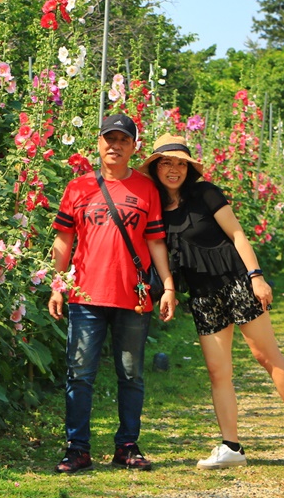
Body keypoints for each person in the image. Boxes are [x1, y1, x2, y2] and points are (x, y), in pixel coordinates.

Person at [141, 134, 284, 469]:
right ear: (155, 167)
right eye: (166, 162)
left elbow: (237, 234)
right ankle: (231, 448)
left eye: (180, 163)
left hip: (237, 280)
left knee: (264, 355)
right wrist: (168, 289)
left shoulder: (205, 193)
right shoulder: (156, 208)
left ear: (189, 168)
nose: (174, 169)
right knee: (217, 369)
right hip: (203, 294)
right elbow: (158, 250)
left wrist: (257, 276)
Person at [48, 114, 177, 473]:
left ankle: (127, 446)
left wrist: (167, 285)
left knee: (131, 374)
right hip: (85, 296)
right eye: (109, 139)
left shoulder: (146, 190)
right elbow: (64, 240)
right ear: (99, 142)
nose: (115, 146)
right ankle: (77, 448)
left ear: (134, 146)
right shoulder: (78, 188)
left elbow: (155, 241)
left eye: (123, 140)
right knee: (79, 373)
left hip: (132, 299)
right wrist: (58, 286)